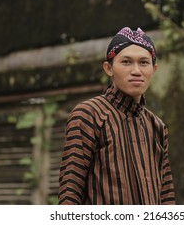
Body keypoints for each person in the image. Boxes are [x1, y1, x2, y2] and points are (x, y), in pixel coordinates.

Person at [58, 27, 175, 205]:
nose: (136, 70)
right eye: (126, 62)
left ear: (154, 69)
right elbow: (70, 193)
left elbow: (166, 198)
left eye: (144, 63)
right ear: (109, 68)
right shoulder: (89, 115)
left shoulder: (156, 126)